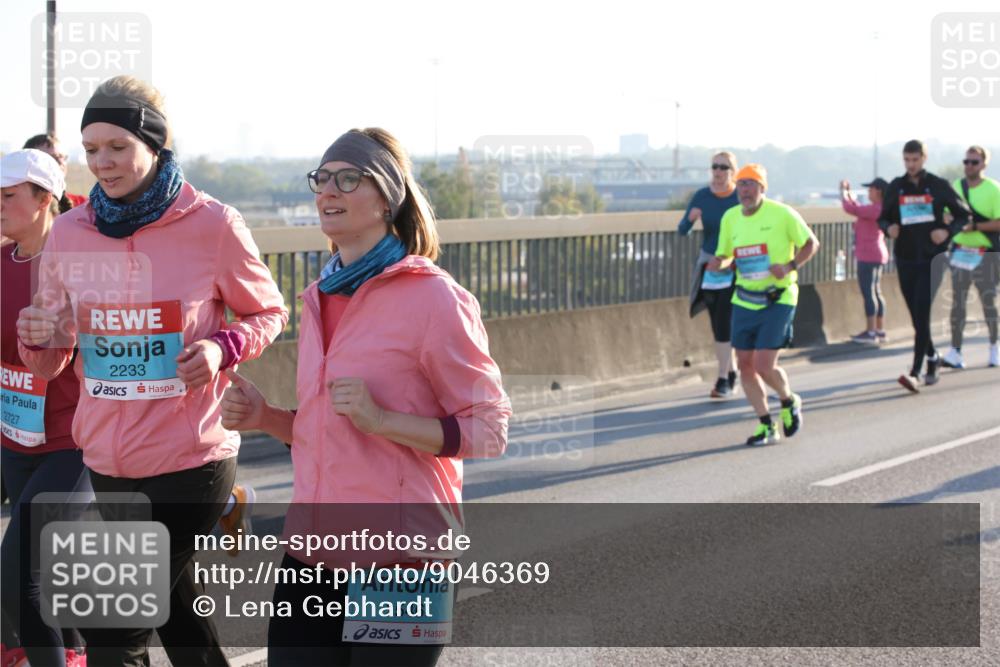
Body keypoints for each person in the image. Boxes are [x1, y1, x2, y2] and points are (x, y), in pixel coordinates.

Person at [16, 75, 288, 667]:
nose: (102, 163)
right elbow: (54, 353)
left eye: (117, 147)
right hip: (109, 460)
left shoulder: (212, 223)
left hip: (192, 458)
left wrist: (222, 346)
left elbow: (270, 311)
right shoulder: (69, 232)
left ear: (155, 144)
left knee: (115, 629)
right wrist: (38, 336)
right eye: (90, 150)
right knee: (180, 616)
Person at [220, 127, 511, 666]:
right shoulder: (319, 296)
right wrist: (267, 417)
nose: (327, 191)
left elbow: (489, 431)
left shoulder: (436, 299)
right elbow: (325, 430)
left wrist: (383, 421)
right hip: (310, 555)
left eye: (347, 179)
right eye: (322, 178)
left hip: (402, 562)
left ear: (386, 199)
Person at [1, 150, 90, 667]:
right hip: (14, 436)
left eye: (8, 195)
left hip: (72, 442)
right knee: (43, 573)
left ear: (43, 200)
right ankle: (74, 654)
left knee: (17, 577)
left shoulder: (75, 266)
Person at [707, 164, 819, 446]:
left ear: (762, 188)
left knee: (763, 364)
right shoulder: (730, 218)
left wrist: (791, 265)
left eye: (751, 185)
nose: (745, 190)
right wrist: (720, 263)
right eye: (741, 184)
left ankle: (788, 399)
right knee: (745, 365)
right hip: (745, 298)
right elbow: (726, 254)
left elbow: (811, 243)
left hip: (778, 297)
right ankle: (766, 425)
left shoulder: (782, 214)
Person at [878, 140, 970, 392]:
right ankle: (933, 358)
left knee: (922, 312)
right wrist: (889, 228)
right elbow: (882, 218)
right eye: (906, 160)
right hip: (906, 258)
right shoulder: (896, 186)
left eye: (915, 160)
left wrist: (947, 231)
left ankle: (915, 372)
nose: (910, 165)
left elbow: (963, 215)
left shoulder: (939, 185)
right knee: (916, 316)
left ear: (924, 159)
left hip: (933, 259)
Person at [679, 151, 740, 397]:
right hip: (710, 265)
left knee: (727, 321)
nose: (718, 171)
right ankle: (729, 373)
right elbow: (682, 229)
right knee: (718, 321)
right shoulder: (702, 196)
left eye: (723, 167)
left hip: (735, 264)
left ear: (732, 172)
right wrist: (691, 220)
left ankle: (724, 378)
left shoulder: (740, 196)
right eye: (714, 166)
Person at [941, 145, 1000, 369]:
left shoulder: (994, 189)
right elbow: (948, 213)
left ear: (984, 164)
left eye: (974, 162)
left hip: (986, 254)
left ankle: (994, 346)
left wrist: (975, 226)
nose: (969, 166)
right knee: (958, 303)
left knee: (988, 302)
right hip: (961, 252)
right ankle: (955, 351)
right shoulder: (957, 186)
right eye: (966, 162)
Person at [839, 177, 889, 344]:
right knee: (876, 292)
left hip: (868, 255)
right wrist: (849, 194)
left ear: (879, 191)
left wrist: (843, 193)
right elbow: (857, 209)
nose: (869, 192)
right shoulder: (879, 208)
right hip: (877, 254)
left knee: (869, 293)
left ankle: (871, 331)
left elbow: (850, 209)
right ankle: (879, 329)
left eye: (871, 189)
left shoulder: (876, 209)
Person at [23, 133, 89, 208]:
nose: (60, 162)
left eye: (62, 157)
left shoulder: (85, 206)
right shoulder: (16, 207)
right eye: (51, 158)